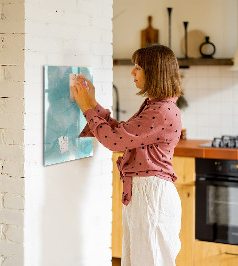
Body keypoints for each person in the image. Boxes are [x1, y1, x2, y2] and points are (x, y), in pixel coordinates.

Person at [71, 44, 183, 266]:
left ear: (154, 72)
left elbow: (114, 141)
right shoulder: (156, 106)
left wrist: (86, 108)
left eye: (138, 67)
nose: (133, 73)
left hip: (151, 197)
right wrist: (92, 104)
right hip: (146, 195)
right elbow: (122, 133)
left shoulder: (160, 111)